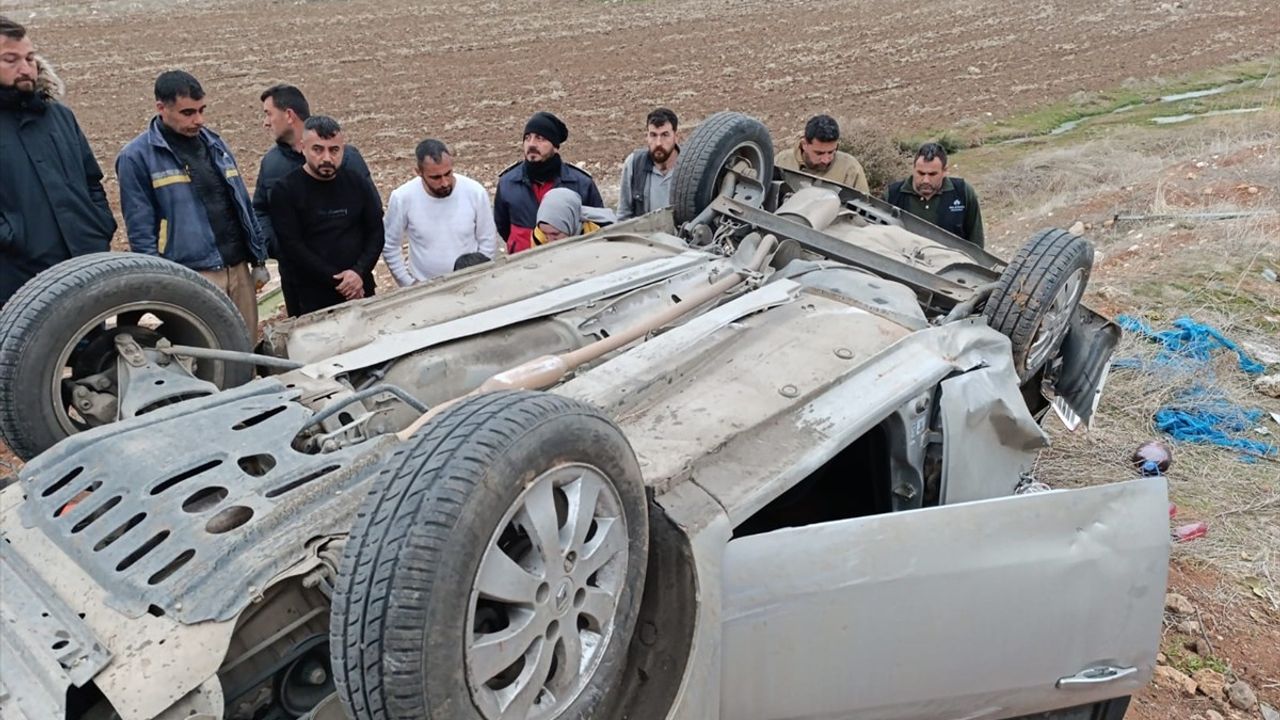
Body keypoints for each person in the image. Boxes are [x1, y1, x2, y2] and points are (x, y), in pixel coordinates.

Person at [116, 70, 267, 332]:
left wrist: (259, 259)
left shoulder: (215, 144)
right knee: (209, 355)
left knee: (246, 348)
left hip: (237, 268)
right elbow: (141, 230)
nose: (199, 120)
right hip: (193, 274)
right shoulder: (136, 157)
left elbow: (242, 202)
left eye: (202, 110)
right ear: (161, 108)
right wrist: (159, 282)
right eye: (188, 113)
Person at [0, 16, 116, 307]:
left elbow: (92, 180)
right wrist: (14, 239)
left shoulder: (59, 117)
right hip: (17, 279)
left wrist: (99, 225)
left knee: (93, 350)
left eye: (29, 58)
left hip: (84, 267)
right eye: (10, 60)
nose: (26, 69)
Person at [269, 116, 383, 316]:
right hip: (312, 298)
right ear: (303, 147)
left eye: (334, 150)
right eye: (318, 149)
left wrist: (358, 272)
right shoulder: (285, 190)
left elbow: (376, 231)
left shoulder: (357, 183)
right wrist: (341, 281)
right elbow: (292, 247)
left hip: (360, 289)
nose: (327, 158)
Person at [254, 84, 375, 258]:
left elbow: (371, 213)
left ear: (289, 115)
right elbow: (260, 211)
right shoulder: (271, 163)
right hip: (297, 277)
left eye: (268, 113)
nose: (265, 123)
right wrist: (279, 247)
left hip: (349, 276)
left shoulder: (348, 159)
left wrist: (355, 260)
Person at [382, 138, 497, 286]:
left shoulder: (475, 192)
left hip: (471, 283)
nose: (445, 182)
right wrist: (409, 283)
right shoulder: (402, 198)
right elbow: (390, 245)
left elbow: (487, 240)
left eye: (448, 173)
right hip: (426, 289)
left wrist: (480, 275)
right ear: (418, 172)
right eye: (435, 177)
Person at [494, 111, 603, 254]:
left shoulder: (580, 183)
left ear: (555, 146)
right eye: (527, 138)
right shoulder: (508, 182)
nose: (531, 144)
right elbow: (503, 227)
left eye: (540, 138)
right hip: (522, 264)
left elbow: (598, 225)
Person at [885, 142, 985, 247]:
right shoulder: (893, 195)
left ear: (944, 171)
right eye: (921, 173)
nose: (926, 180)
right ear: (913, 169)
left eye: (932, 174)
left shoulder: (962, 193)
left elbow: (976, 243)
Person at [773, 114, 870, 194]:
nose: (826, 159)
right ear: (804, 145)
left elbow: (864, 210)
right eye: (819, 153)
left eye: (831, 152)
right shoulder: (782, 162)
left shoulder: (850, 168)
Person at [616, 107, 680, 221]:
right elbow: (623, 216)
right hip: (646, 237)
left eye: (665, 135)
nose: (659, 143)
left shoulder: (689, 167)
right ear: (647, 136)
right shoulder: (634, 165)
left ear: (676, 136)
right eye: (653, 135)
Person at [533, 188, 603, 246]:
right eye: (545, 234)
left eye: (555, 234)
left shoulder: (597, 231)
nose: (550, 241)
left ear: (570, 223)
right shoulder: (538, 235)